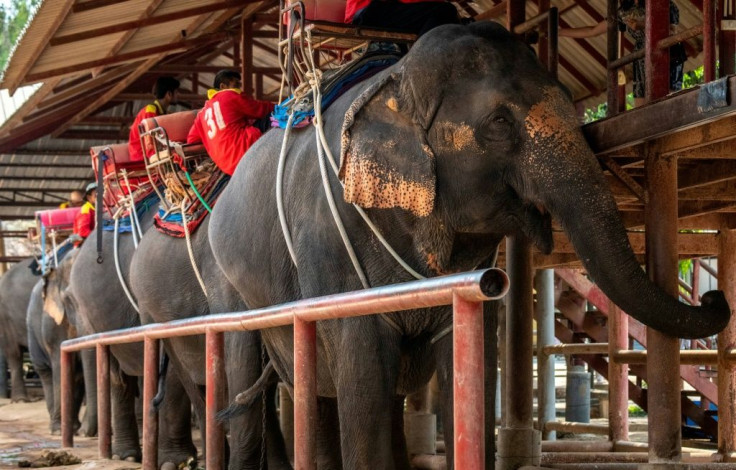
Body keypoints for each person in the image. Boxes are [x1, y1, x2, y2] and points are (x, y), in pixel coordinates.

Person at [559, 0, 686, 107]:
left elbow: (672, 31)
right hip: (642, 57)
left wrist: (643, 26)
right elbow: (593, 31)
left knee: (668, 101)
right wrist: (559, 32)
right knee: (642, 106)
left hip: (668, 54)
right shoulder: (623, 11)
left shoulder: (663, 3)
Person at [186, 70, 274, 176]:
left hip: (225, 166)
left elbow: (191, 140)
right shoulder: (229, 95)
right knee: (275, 115)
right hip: (243, 150)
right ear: (223, 86)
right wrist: (281, 106)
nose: (239, 88)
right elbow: (260, 109)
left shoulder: (202, 114)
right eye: (236, 84)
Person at [128, 76, 181, 162]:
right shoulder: (150, 111)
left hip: (148, 154)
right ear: (169, 94)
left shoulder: (162, 112)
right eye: (176, 92)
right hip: (142, 156)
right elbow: (149, 140)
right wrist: (156, 158)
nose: (178, 95)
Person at [345, 0, 460, 38]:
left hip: (369, 12)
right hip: (371, 12)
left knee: (444, 13)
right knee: (444, 10)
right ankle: (420, 60)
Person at [71, 182, 97, 247]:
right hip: (83, 244)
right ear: (89, 198)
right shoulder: (86, 210)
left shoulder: (99, 209)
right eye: (96, 195)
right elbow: (83, 231)